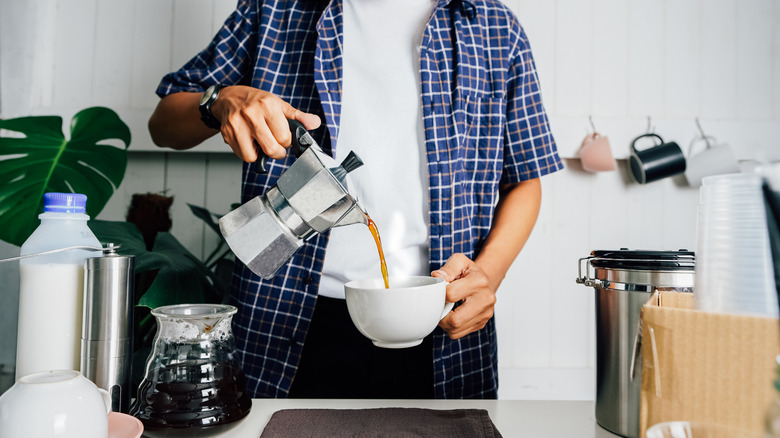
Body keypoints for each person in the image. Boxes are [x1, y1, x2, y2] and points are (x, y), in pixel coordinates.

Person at [148, 0, 563, 399]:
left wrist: (487, 274)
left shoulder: (494, 25)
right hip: (290, 320)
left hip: (440, 319)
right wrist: (218, 101)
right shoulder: (274, 8)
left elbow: (524, 179)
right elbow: (164, 125)